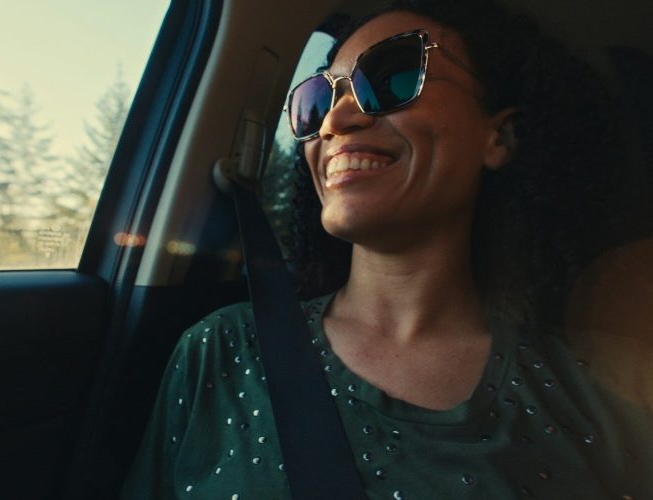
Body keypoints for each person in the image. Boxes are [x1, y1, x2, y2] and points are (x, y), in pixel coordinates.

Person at [121, 0, 653, 498]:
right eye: (315, 102)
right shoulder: (218, 351)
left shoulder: (600, 392)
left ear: (500, 138)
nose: (334, 122)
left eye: (393, 76)